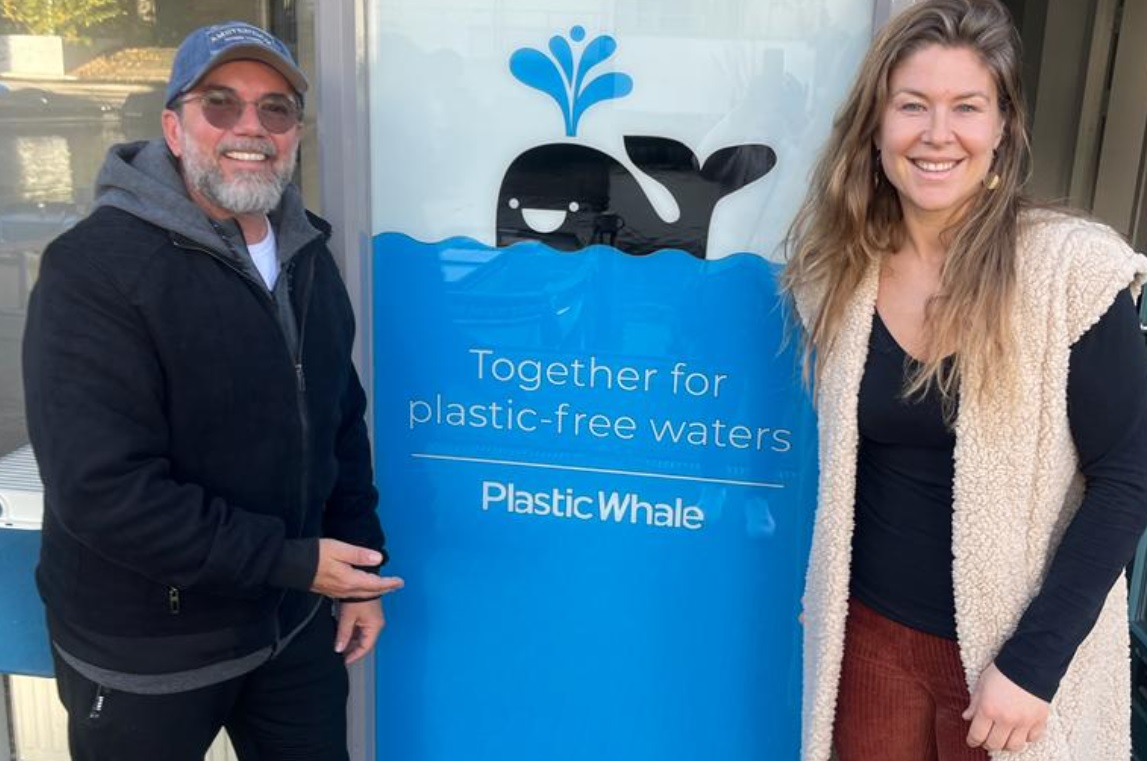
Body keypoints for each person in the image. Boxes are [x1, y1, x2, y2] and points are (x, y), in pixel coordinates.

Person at [22, 21, 404, 761]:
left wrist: (359, 573)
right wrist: (294, 562)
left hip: (291, 625)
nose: (250, 127)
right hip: (144, 650)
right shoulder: (93, 269)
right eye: (220, 103)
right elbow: (103, 492)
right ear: (174, 127)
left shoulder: (306, 250)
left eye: (275, 109)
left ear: (295, 134)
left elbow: (338, 421)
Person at [781, 1, 1147, 759]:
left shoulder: (1069, 270)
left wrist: (1033, 666)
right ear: (875, 126)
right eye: (911, 105)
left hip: (1015, 665)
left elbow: (1127, 479)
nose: (937, 133)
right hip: (870, 643)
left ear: (1003, 127)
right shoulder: (838, 276)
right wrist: (823, 592)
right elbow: (846, 469)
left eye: (966, 107)